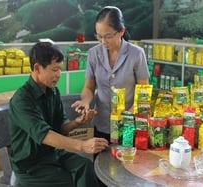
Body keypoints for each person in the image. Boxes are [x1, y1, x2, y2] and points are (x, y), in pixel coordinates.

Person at [8, 41, 108, 187]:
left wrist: (77, 122)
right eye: (54, 70)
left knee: (86, 167)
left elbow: (60, 127)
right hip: (31, 166)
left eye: (60, 69)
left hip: (52, 154)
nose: (59, 75)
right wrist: (82, 145)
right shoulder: (22, 100)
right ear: (37, 68)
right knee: (71, 182)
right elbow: (45, 135)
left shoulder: (52, 91)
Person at [72, 6, 149, 148]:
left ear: (121, 31)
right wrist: (86, 102)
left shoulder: (136, 54)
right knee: (100, 164)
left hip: (128, 125)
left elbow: (143, 94)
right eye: (99, 36)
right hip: (102, 124)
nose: (103, 41)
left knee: (125, 165)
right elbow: (89, 87)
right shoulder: (93, 54)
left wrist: (127, 116)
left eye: (107, 36)